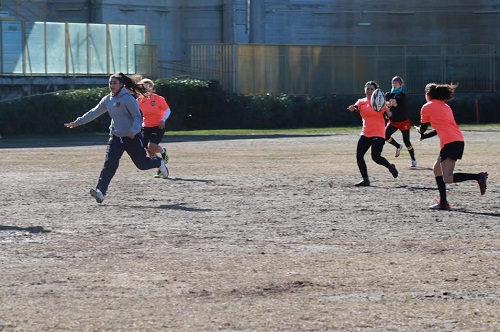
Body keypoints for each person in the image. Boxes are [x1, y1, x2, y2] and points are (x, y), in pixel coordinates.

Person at [64, 73, 169, 204]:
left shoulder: (128, 99)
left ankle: (158, 162)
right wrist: (78, 122)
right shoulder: (108, 99)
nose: (111, 85)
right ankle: (100, 192)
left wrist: (134, 130)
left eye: (114, 83)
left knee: (142, 164)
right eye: (110, 83)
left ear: (121, 85)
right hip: (115, 137)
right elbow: (94, 112)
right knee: (110, 164)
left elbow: (137, 117)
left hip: (132, 137)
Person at [417, 82, 488, 210]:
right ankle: (443, 202)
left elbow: (423, 127)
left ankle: (478, 176)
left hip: (450, 142)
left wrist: (421, 132)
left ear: (428, 95)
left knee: (448, 178)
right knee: (437, 169)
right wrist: (425, 136)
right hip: (456, 140)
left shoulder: (426, 107)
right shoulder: (445, 106)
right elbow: (440, 128)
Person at [347, 80, 399, 186]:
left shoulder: (380, 102)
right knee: (359, 156)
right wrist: (352, 108)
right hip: (366, 133)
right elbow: (356, 108)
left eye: (372, 89)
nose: (369, 91)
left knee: (375, 157)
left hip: (378, 133)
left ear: (375, 91)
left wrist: (390, 109)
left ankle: (390, 167)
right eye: (367, 88)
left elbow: (389, 114)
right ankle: (365, 180)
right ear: (364, 90)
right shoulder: (361, 101)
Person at [137, 78, 172, 178]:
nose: (146, 88)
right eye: (143, 87)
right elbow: (133, 110)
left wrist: (163, 120)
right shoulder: (139, 100)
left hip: (158, 126)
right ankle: (160, 167)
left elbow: (167, 110)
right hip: (146, 126)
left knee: (152, 146)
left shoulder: (158, 98)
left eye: (149, 86)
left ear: (152, 88)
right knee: (148, 149)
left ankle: (163, 152)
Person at [384, 76, 417, 167]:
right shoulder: (388, 95)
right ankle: (398, 146)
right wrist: (387, 115)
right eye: (393, 83)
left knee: (407, 141)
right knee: (385, 135)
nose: (394, 84)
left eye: (396, 83)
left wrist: (396, 105)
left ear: (400, 84)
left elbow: (403, 110)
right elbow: (385, 108)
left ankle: (413, 159)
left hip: (403, 121)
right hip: (393, 121)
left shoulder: (403, 96)